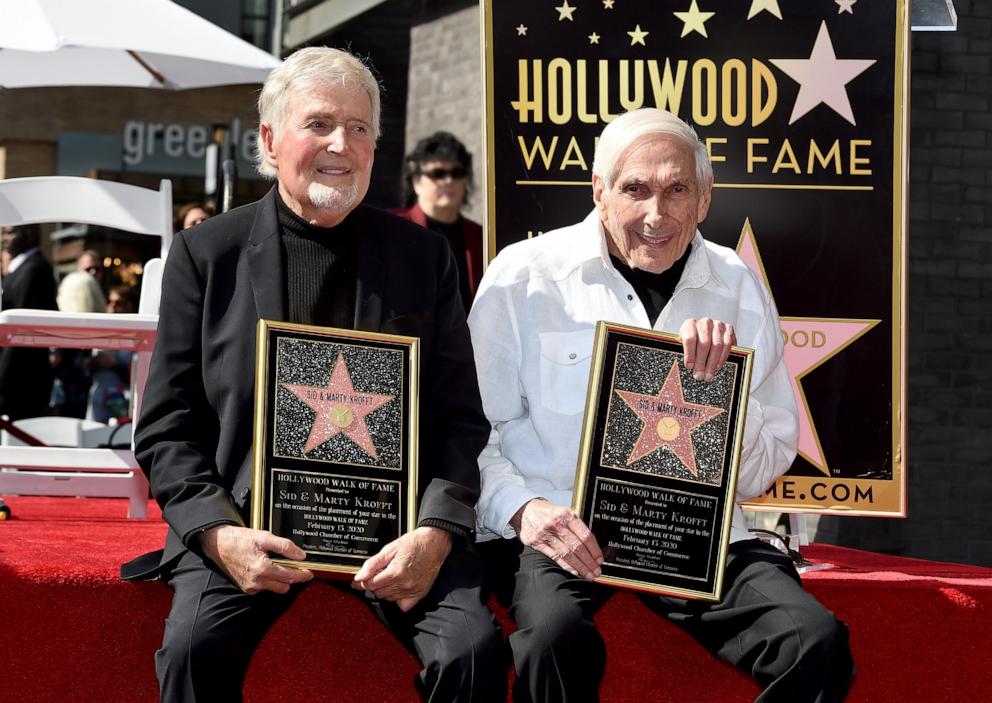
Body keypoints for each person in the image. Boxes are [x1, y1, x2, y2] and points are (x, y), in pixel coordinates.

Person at [122, 47, 503, 702]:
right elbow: (166, 426)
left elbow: (458, 419)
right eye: (320, 123)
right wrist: (219, 534)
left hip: (396, 532)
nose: (341, 144)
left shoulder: (424, 259)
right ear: (270, 140)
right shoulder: (205, 255)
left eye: (359, 128)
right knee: (191, 651)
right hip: (245, 524)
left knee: (473, 650)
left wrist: (436, 533)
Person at [468, 108, 855, 702]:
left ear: (705, 198)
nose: (656, 214)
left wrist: (720, 396)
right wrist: (523, 511)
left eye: (677, 190)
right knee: (552, 638)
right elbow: (472, 428)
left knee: (815, 639)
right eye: (635, 190)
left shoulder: (736, 283)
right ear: (599, 192)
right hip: (565, 530)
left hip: (698, 535)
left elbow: (770, 453)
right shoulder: (524, 276)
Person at [393, 131, 483, 313]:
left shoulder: (480, 237)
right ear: (416, 181)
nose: (448, 181)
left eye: (457, 173)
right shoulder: (392, 229)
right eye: (438, 173)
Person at [0, 224, 58, 420]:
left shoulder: (33, 270)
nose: (4, 238)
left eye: (10, 232)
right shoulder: (23, 270)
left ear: (29, 234)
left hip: (22, 380)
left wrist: (2, 376)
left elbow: (21, 333)